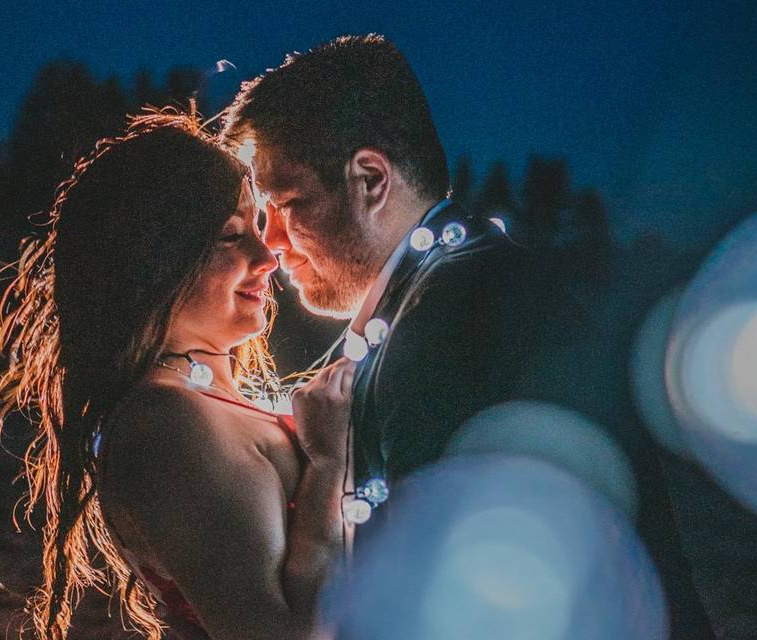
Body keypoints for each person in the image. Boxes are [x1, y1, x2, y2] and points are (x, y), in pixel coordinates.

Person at [221, 34, 714, 637]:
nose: (271, 243)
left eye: (287, 204)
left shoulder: (459, 313)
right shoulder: (448, 288)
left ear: (370, 179)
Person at [0, 113, 353, 640]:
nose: (265, 257)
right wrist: (330, 466)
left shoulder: (199, 404)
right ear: (152, 260)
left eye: (257, 229)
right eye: (229, 236)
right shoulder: (167, 422)